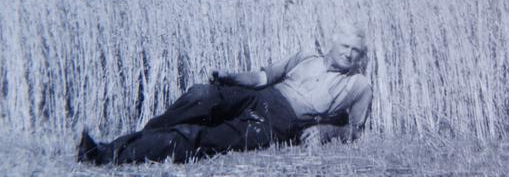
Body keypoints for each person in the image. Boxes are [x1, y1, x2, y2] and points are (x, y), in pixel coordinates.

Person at [77, 23, 372, 164]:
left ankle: (105, 154)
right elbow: (262, 77)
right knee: (203, 94)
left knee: (196, 137)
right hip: (260, 96)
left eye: (355, 51)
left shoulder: (358, 86)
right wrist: (230, 77)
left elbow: (355, 130)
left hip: (277, 124)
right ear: (332, 43)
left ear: (360, 57)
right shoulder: (306, 56)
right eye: (345, 46)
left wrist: (327, 131)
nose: (349, 54)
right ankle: (138, 138)